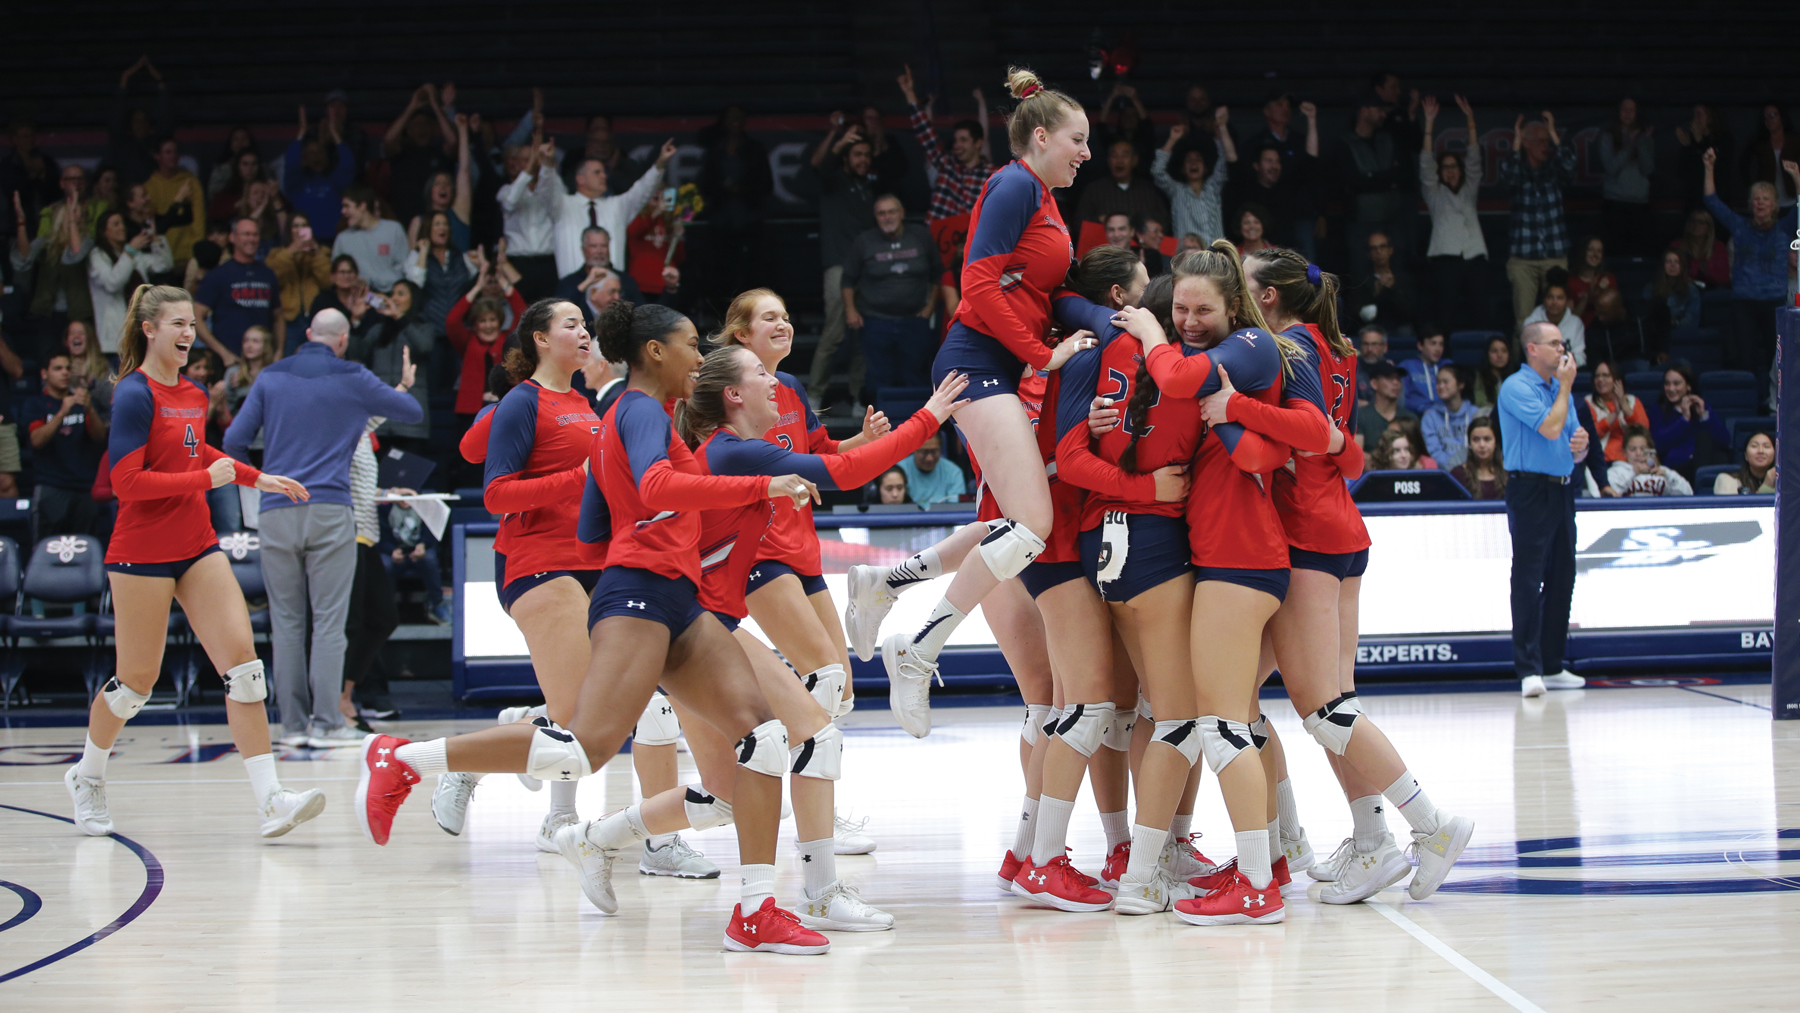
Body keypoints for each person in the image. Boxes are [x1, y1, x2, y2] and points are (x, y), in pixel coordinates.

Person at [353, 299, 830, 956]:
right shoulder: (628, 408)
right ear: (655, 352)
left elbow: (594, 524)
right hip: (621, 590)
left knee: (763, 738)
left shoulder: (613, 411)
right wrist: (752, 491)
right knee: (581, 744)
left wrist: (641, 532)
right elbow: (647, 486)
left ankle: (753, 909)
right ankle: (405, 758)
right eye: (691, 343)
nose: (701, 355)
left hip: (660, 593)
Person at [677, 346, 965, 928]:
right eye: (759, 374)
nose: (772, 381)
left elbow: (829, 460)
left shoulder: (745, 452)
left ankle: (599, 834)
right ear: (733, 395)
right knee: (795, 738)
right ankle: (794, 899)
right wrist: (929, 416)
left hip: (710, 620)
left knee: (777, 753)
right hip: (694, 624)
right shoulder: (732, 451)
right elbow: (846, 473)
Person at [1227, 246, 1474, 904]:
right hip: (1340, 525)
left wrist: (1232, 406)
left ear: (1270, 296)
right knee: (1326, 701)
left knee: (1323, 706)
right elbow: (1348, 449)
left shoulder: (1290, 348)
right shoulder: (1330, 345)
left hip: (1309, 531)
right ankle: (1372, 841)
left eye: (1245, 285)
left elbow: (1312, 433)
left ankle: (1431, 824)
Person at [877, 68, 1097, 737]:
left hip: (995, 363)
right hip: (978, 360)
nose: (1086, 152)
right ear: (1039, 136)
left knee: (1013, 522)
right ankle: (917, 650)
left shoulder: (1044, 197)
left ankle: (886, 593)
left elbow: (1026, 286)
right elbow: (975, 279)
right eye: (1077, 139)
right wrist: (1041, 353)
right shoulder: (1011, 183)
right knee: (1027, 521)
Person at [69, 284, 320, 841]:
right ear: (149, 330)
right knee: (135, 685)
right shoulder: (133, 394)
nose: (188, 334)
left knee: (246, 672)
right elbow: (125, 482)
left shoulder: (194, 392)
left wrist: (256, 475)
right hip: (140, 553)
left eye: (191, 324)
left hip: (198, 545)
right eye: (177, 324)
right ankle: (87, 776)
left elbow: (195, 450)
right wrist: (203, 481)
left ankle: (271, 800)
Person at [223, 307, 423, 748]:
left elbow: (233, 441)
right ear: (342, 340)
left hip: (275, 510)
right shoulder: (352, 375)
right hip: (331, 508)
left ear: (309, 334)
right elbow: (409, 411)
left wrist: (261, 479)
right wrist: (390, 390)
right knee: (330, 624)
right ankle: (327, 723)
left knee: (287, 623)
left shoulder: (271, 377)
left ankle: (292, 727)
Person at [1497, 320, 1591, 698]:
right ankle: (1528, 668)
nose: (1562, 350)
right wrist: (1567, 386)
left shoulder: (1557, 388)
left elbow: (1571, 440)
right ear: (1532, 349)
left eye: (1563, 343)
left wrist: (1582, 444)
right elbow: (1551, 429)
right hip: (1531, 490)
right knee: (1529, 577)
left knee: (1562, 575)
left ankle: (1552, 664)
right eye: (1554, 343)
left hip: (1563, 489)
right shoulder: (1517, 387)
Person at [1702, 149, 1799, 377]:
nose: (1760, 203)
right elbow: (1711, 201)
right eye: (1756, 198)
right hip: (1743, 303)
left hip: (1774, 302)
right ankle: (1751, 405)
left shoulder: (1784, 229)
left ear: (1775, 205)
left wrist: (1796, 178)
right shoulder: (1739, 226)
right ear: (1750, 204)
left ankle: (1772, 407)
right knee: (1745, 358)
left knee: (1776, 358)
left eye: (1766, 199)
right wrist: (1708, 167)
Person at [843, 194, 943, 400]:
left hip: (915, 320)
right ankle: (882, 428)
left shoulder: (921, 236)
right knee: (878, 377)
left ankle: (918, 428)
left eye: (892, 211)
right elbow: (847, 280)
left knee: (917, 375)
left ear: (902, 213)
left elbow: (937, 273)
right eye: (881, 213)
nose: (887, 217)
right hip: (876, 321)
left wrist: (930, 307)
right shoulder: (864, 242)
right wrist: (851, 310)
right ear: (875, 217)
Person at [1497, 112, 1577, 329]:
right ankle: (1523, 362)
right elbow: (1509, 176)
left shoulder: (1553, 169)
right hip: (1524, 259)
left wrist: (1553, 132)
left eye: (1547, 141)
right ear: (1527, 143)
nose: (1546, 146)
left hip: (1554, 255)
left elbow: (1569, 164)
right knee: (1524, 321)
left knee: (1559, 319)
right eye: (1541, 141)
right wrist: (1516, 142)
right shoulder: (1517, 169)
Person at [552, 139, 676, 278]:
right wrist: (547, 165)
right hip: (574, 290)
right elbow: (547, 188)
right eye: (597, 172)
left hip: (612, 288)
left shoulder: (617, 206)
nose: (604, 176)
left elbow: (643, 190)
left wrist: (660, 163)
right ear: (580, 179)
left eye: (604, 172)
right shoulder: (562, 205)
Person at [1419, 95, 1488, 331]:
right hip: (1445, 259)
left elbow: (1475, 160)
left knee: (1481, 311)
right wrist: (1429, 124)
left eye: (1454, 166)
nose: (1450, 171)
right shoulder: (1434, 193)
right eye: (1445, 167)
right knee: (1445, 313)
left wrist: (1470, 120)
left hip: (1474, 256)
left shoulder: (1469, 190)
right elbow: (1426, 164)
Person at [24, 351, 107, 541]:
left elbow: (100, 437)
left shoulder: (84, 402)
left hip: (84, 487)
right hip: (52, 487)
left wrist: (90, 409)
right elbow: (36, 440)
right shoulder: (35, 404)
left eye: (68, 368)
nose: (65, 373)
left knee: (85, 548)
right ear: (44, 373)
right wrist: (62, 413)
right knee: (46, 548)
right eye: (58, 368)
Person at [898, 65, 993, 223]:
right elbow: (925, 131)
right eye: (956, 140)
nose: (957, 145)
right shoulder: (947, 165)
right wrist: (909, 93)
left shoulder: (993, 176)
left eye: (963, 140)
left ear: (978, 144)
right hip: (938, 242)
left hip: (970, 244)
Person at [351, 280, 433, 453]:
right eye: (393, 294)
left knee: (406, 478)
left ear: (414, 299)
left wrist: (400, 318)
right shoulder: (378, 330)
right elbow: (356, 354)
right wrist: (356, 321)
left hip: (410, 424)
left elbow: (425, 347)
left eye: (401, 294)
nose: (394, 298)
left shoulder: (424, 327)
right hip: (381, 421)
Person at [1336, 96, 1411, 280]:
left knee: (1395, 273)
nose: (1384, 114)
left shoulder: (1388, 139)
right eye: (1379, 109)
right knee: (1361, 275)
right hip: (1361, 221)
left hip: (1391, 220)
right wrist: (1384, 178)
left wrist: (1370, 178)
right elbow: (1351, 180)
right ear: (1364, 110)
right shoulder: (1345, 143)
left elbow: (1401, 174)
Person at [88, 208, 173, 354]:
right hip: (116, 337)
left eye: (122, 223)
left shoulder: (134, 255)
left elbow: (164, 265)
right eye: (116, 224)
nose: (122, 227)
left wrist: (156, 239)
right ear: (104, 231)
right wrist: (129, 252)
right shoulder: (97, 256)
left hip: (142, 331)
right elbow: (112, 284)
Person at [194, 217, 277, 366]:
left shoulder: (268, 274)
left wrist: (278, 353)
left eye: (255, 234)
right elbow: (196, 316)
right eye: (246, 234)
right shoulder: (218, 275)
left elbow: (279, 316)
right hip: (229, 362)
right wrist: (222, 353)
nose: (251, 239)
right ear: (232, 237)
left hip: (263, 364)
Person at [283, 106, 356, 244]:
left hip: (333, 240)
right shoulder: (296, 185)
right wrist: (301, 133)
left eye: (319, 151)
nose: (315, 155)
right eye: (310, 153)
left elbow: (348, 167)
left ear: (326, 156)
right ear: (303, 158)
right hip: (304, 241)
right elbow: (291, 166)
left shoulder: (335, 182)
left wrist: (335, 135)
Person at [1151, 120, 1230, 248]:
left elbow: (1223, 162)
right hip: (1188, 259)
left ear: (1206, 167)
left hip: (1216, 258)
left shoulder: (1213, 187)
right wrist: (1172, 139)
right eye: (1189, 160)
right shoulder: (1176, 190)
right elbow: (1157, 171)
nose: (1193, 163)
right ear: (1183, 168)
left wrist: (1219, 135)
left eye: (1198, 159)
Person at [405, 113, 474, 253]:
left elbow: (464, 170)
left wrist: (462, 130)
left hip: (459, 273)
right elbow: (412, 260)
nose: (443, 186)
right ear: (430, 191)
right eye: (437, 184)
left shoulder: (460, 213)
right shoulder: (418, 222)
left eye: (447, 184)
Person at [1646, 363, 1729, 480]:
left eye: (1676, 384)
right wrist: (1684, 420)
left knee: (1720, 456)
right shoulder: (1657, 410)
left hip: (1700, 463)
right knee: (1708, 445)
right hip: (1675, 467)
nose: (1671, 389)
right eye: (1667, 384)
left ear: (1688, 386)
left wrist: (1704, 416)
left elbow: (1724, 441)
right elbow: (1658, 444)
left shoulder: (1703, 408)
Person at [265, 212, 333, 353]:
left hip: (315, 318)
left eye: (304, 226)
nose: (300, 230)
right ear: (289, 230)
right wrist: (292, 250)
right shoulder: (277, 254)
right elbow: (273, 278)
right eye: (295, 226)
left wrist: (316, 252)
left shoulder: (323, 252)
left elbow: (328, 281)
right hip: (289, 319)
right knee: (291, 364)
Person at [1600, 99, 1656, 256]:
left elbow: (1648, 170)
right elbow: (1610, 169)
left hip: (1639, 203)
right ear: (1618, 112)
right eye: (1624, 109)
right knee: (1616, 252)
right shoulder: (1608, 136)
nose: (1627, 113)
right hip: (1615, 203)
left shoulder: (1645, 137)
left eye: (1632, 109)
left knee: (1640, 253)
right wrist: (1629, 145)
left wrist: (1642, 142)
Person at [1077, 139, 1170, 230]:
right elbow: (1079, 225)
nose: (1119, 161)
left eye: (1125, 155)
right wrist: (1100, 221)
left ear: (1135, 160)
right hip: (1105, 244)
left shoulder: (1149, 190)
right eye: (1114, 156)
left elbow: (1163, 223)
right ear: (1108, 160)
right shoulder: (1094, 190)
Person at [331, 186, 410, 292]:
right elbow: (336, 273)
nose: (343, 211)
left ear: (362, 206)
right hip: (357, 297)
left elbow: (404, 267)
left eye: (347, 206)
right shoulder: (343, 239)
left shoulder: (393, 230)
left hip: (392, 295)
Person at [144, 137, 205, 265]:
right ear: (157, 156)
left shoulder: (190, 182)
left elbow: (199, 218)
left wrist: (197, 249)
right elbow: (153, 223)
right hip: (164, 254)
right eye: (168, 152)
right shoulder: (150, 187)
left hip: (189, 252)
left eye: (175, 152)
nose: (173, 155)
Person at [1345, 231, 1416, 336]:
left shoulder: (1403, 278)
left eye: (1382, 247)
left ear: (1390, 250)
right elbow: (1357, 315)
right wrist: (1375, 294)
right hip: (1372, 329)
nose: (1378, 251)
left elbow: (1410, 312)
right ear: (1369, 254)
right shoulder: (1360, 280)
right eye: (1374, 248)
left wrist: (1393, 288)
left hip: (1398, 328)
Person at [1583, 360, 1650, 462]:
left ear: (1617, 380)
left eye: (1606, 375)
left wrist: (1624, 405)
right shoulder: (1588, 402)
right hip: (1601, 461)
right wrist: (1614, 414)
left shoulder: (1632, 401)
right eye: (1597, 376)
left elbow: (1643, 432)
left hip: (1632, 461)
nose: (1600, 379)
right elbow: (1588, 435)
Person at [1521, 269, 1586, 366]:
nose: (1554, 303)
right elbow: (1531, 356)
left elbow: (1581, 359)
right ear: (1544, 300)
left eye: (1560, 298)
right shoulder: (1531, 323)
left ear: (1567, 301)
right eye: (1550, 297)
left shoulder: (1576, 323)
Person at [1608, 425, 1693, 497]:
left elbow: (1688, 494)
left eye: (1643, 449)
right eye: (1633, 449)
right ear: (1624, 452)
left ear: (1650, 449)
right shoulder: (1616, 471)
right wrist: (1634, 472)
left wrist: (1668, 475)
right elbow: (1610, 495)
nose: (1638, 453)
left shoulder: (1663, 472)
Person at [1741, 105, 1796, 209]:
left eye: (1772, 115)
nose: (1769, 120)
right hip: (1767, 203)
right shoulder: (1758, 143)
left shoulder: (1795, 141)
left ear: (1782, 117)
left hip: (1793, 199)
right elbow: (1745, 165)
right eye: (1766, 117)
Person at [1422, 364, 1476, 468]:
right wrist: (1455, 469)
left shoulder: (1475, 414)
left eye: (1446, 382)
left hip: (1473, 470)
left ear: (1461, 385)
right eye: (1438, 382)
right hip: (1445, 474)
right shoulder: (1430, 417)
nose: (1441, 386)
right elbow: (1434, 451)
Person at [1354, 362, 1414, 447]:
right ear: (1374, 384)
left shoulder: (1410, 418)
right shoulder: (1360, 417)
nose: (1396, 383)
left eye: (1398, 379)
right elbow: (1357, 454)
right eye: (1389, 378)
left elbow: (1416, 453)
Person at [893, 434, 964, 507]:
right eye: (924, 452)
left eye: (934, 451)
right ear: (914, 449)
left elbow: (956, 508)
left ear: (941, 450)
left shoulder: (953, 472)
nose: (929, 458)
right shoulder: (899, 471)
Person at [1648, 249, 1703, 334]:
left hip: (1683, 334)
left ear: (1682, 266)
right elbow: (1647, 318)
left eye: (1677, 262)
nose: (1672, 265)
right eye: (1669, 262)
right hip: (1657, 334)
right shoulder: (1651, 289)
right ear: (1663, 266)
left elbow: (1692, 320)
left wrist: (1675, 324)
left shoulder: (1692, 291)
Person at [1451, 416, 1506, 499]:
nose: (1482, 445)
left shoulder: (1509, 474)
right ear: (1469, 444)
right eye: (1476, 440)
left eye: (1487, 439)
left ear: (1495, 442)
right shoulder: (1457, 475)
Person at [1568, 236, 1617, 326]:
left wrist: (1604, 292)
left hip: (1604, 330)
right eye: (1590, 250)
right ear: (1582, 252)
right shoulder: (1570, 282)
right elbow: (1571, 321)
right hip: (1580, 331)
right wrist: (1586, 297)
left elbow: (1615, 315)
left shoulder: (1608, 279)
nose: (1595, 255)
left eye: (1599, 251)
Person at [1400, 330, 1447, 415]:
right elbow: (1402, 399)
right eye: (1433, 343)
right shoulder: (1407, 366)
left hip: (1444, 416)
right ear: (1420, 346)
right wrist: (1422, 408)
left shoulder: (1447, 366)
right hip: (1415, 416)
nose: (1438, 349)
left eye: (1441, 344)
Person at [1473, 335, 1514, 412]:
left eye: (1504, 351)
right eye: (1494, 351)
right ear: (1487, 354)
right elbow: (1480, 403)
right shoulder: (1479, 377)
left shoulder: (1515, 377)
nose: (1499, 355)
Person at [1355, 324, 1392, 405]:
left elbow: (1399, 403)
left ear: (1385, 347)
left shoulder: (1393, 371)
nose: (1369, 349)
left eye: (1374, 344)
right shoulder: (1351, 370)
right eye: (1365, 344)